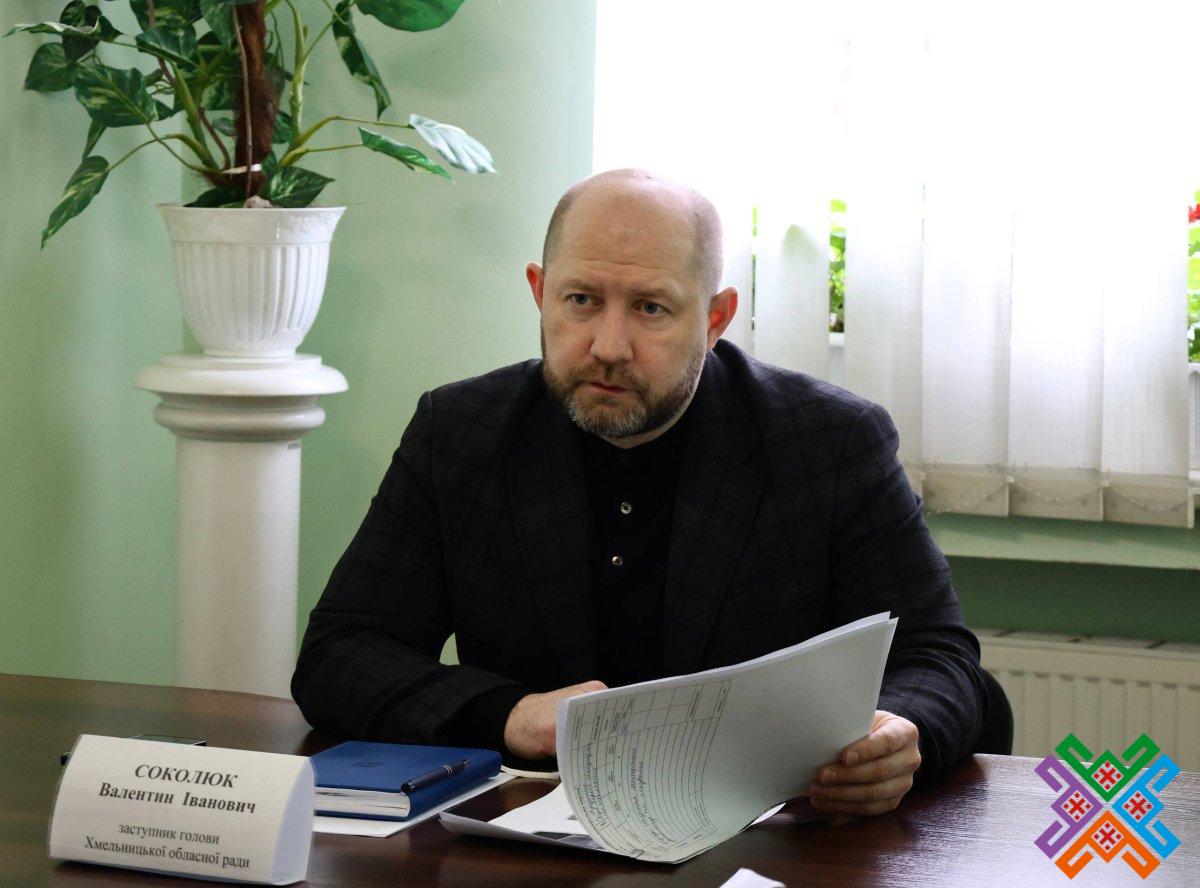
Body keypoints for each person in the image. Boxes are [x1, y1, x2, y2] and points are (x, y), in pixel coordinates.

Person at [292, 169, 986, 820]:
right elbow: (340, 653)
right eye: (581, 301)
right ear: (539, 292)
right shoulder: (461, 432)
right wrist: (511, 713)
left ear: (715, 319)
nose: (608, 345)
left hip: (760, 840)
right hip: (527, 838)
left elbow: (938, 659)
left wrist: (899, 733)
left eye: (651, 308)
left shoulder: (828, 443)